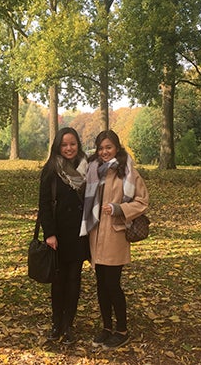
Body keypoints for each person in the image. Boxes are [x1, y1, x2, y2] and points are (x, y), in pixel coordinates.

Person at [80, 130, 149, 350]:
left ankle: (122, 330)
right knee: (101, 284)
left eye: (108, 147)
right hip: (96, 234)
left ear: (117, 148)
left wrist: (120, 208)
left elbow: (142, 201)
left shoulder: (127, 171)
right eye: (100, 148)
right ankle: (107, 327)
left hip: (115, 235)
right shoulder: (93, 170)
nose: (104, 152)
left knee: (112, 284)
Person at [38, 127, 90, 344]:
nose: (69, 148)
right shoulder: (51, 170)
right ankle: (56, 323)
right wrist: (49, 233)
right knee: (58, 282)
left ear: (78, 145)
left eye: (73, 144)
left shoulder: (87, 169)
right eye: (65, 145)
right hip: (57, 236)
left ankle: (69, 324)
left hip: (79, 234)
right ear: (58, 147)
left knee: (74, 280)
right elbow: (44, 205)